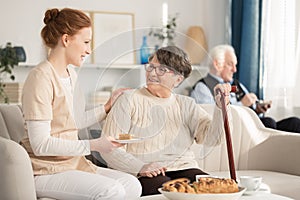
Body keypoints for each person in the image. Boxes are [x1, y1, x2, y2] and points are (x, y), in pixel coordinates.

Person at [20, 8, 142, 200]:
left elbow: (74, 121)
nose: (88, 49)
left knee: (132, 185)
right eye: (85, 42)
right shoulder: (40, 78)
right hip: (45, 169)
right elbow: (40, 144)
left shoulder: (71, 75)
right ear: (66, 39)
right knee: (112, 191)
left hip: (72, 163)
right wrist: (94, 145)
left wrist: (107, 106)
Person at [100, 46, 232, 196]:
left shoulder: (186, 105)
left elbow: (213, 139)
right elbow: (109, 148)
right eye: (150, 67)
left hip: (184, 167)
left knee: (212, 189)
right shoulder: (128, 100)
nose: (152, 73)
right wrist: (140, 167)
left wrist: (221, 108)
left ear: (178, 79)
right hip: (143, 171)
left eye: (162, 69)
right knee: (169, 193)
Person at [190, 44, 300, 133]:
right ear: (217, 64)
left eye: (235, 65)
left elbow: (250, 107)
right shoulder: (202, 87)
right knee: (268, 123)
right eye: (230, 64)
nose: (235, 70)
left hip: (251, 126)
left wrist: (257, 108)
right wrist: (242, 105)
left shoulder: (237, 84)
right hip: (235, 131)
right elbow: (211, 117)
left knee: (294, 123)